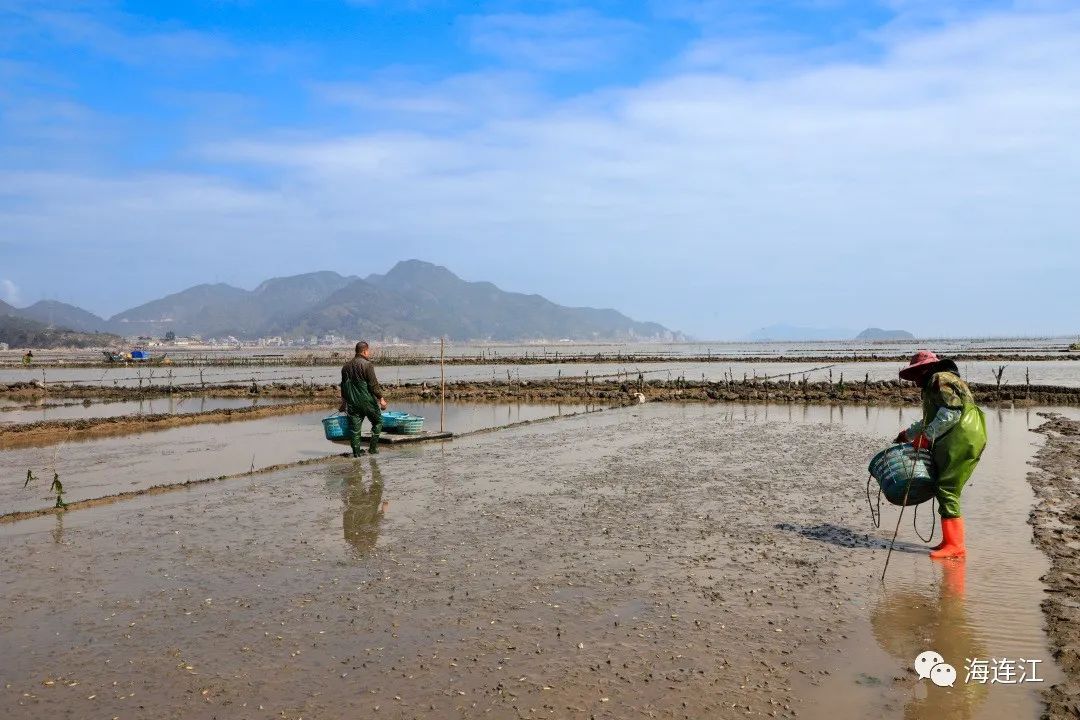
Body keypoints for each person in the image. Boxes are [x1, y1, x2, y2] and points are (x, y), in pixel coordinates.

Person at [894, 350, 987, 559]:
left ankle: (956, 545)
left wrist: (926, 438)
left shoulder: (939, 379)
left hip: (961, 436)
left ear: (926, 369)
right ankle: (949, 540)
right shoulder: (936, 382)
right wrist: (907, 434)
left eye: (917, 374)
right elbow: (929, 419)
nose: (915, 380)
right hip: (964, 434)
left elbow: (950, 413)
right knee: (944, 486)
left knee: (947, 487)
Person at [340, 340, 387, 457]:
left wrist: (343, 403)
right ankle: (372, 448)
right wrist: (381, 398)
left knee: (355, 429)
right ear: (365, 351)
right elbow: (373, 385)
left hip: (352, 403)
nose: (369, 353)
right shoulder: (367, 365)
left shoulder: (345, 367)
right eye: (368, 351)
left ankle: (356, 453)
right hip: (367, 402)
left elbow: (344, 387)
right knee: (378, 422)